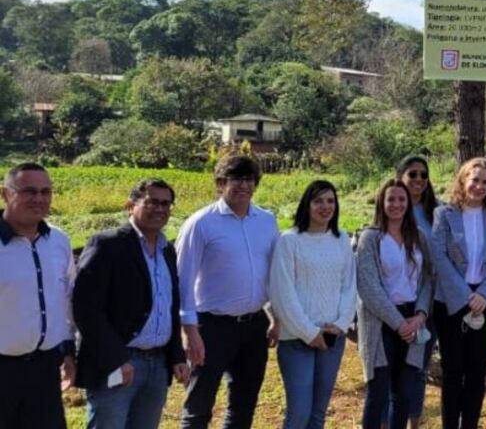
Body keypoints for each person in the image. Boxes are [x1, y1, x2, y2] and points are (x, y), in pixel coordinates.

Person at [74, 178, 189, 428]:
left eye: (166, 204)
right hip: (118, 363)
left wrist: (177, 355)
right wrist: (116, 359)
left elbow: (169, 305)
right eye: (152, 202)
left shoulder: (167, 249)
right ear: (130, 205)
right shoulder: (107, 244)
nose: (160, 209)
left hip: (157, 364)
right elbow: (85, 309)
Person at [176, 155, 281, 429]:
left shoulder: (266, 221)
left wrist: (275, 316)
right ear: (221, 183)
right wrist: (189, 331)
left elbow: (272, 274)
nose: (243, 185)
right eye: (236, 179)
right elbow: (182, 280)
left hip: (253, 325)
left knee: (243, 406)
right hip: (211, 327)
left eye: (249, 179)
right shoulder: (201, 223)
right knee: (199, 407)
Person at [269, 180, 356, 429]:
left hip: (332, 338)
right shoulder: (290, 241)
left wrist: (340, 325)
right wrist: (309, 332)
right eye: (318, 201)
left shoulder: (341, 241)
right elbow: (281, 293)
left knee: (318, 415)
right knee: (299, 414)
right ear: (306, 204)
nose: (325, 206)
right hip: (297, 340)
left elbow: (349, 287)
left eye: (330, 201)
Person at [430, 158, 486, 429]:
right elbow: (438, 256)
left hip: (484, 302)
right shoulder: (445, 214)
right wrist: (466, 296)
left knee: (477, 371)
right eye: (475, 180)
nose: (480, 186)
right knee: (454, 371)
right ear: (463, 180)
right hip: (452, 301)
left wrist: (484, 295)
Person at [0, 162, 74, 429]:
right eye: (29, 191)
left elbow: (65, 299)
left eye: (46, 191)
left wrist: (68, 350)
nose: (39, 199)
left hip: (44, 369)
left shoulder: (59, 241)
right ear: (5, 194)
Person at [356, 179, 433, 429]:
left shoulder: (418, 236)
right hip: (381, 321)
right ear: (381, 202)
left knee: (403, 393)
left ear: (408, 202)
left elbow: (427, 279)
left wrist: (421, 315)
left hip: (413, 318)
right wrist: (399, 324)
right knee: (377, 393)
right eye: (391, 199)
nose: (397, 204)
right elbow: (368, 286)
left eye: (402, 199)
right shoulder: (371, 238)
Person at [395, 155, 440, 429]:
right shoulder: (391, 209)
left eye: (424, 175)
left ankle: (414, 421)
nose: (419, 180)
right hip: (395, 303)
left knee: (418, 368)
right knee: (392, 369)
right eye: (413, 174)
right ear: (400, 176)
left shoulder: (437, 212)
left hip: (427, 303)